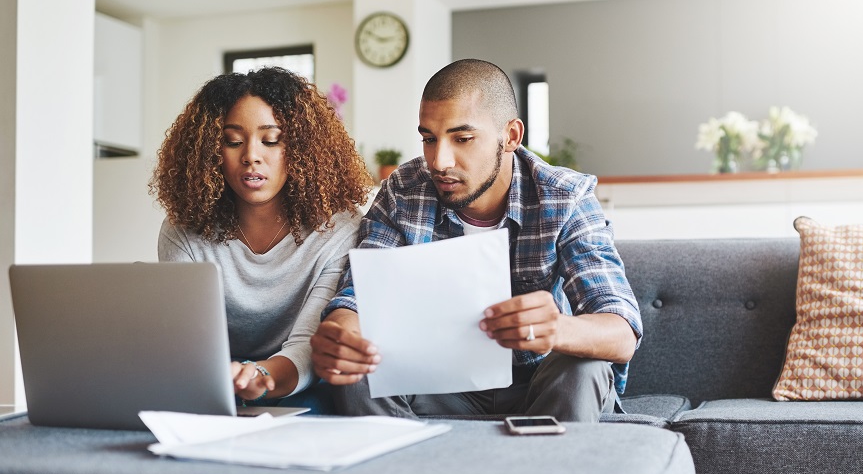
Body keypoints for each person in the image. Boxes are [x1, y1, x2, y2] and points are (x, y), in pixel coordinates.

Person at [310, 59, 642, 422]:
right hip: (441, 384)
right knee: (359, 370)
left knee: (585, 366)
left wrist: (558, 328)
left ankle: (546, 460)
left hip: (540, 384)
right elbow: (358, 296)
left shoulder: (565, 197)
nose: (440, 161)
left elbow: (621, 332)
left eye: (462, 139)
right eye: (429, 139)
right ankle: (404, 459)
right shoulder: (403, 192)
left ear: (511, 136)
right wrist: (343, 333)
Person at [151, 66, 372, 411]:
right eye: (233, 141)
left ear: (301, 148)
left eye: (271, 140)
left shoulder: (338, 229)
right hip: (212, 381)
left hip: (298, 383)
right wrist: (227, 379)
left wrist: (258, 378)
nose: (251, 155)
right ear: (210, 151)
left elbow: (309, 345)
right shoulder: (184, 230)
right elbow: (185, 341)